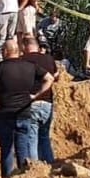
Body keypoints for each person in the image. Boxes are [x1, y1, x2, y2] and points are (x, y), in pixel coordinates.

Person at [0, 40, 52, 178]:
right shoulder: (30, 66)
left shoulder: (0, 67)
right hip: (24, 113)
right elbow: (49, 78)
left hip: (4, 114)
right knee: (23, 149)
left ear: (5, 51)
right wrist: (36, 95)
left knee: (7, 150)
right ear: (17, 51)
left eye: (2, 50)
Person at [21, 33, 58, 165]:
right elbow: (56, 75)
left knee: (31, 137)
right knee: (44, 137)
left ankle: (34, 167)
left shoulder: (22, 60)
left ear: (25, 47)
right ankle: (50, 164)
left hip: (32, 103)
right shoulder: (49, 59)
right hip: (48, 103)